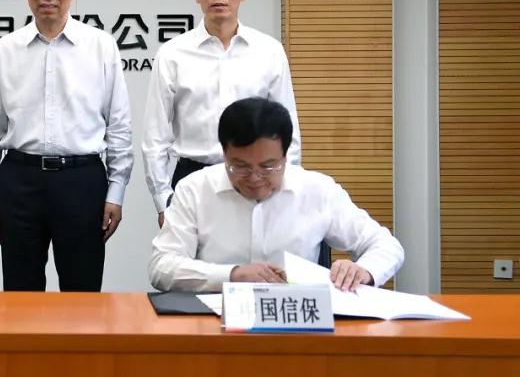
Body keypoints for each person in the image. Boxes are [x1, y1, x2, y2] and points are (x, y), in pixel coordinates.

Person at [0, 0, 133, 291]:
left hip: (82, 182)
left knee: (82, 290)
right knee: (20, 292)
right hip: (19, 180)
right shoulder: (5, 50)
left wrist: (116, 192)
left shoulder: (101, 46)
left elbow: (119, 126)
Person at [149, 97, 403, 292]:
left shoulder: (317, 190)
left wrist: (363, 270)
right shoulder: (194, 189)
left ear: (285, 155)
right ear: (224, 154)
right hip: (215, 324)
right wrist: (232, 275)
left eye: (268, 167)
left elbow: (386, 245)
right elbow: (162, 266)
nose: (255, 178)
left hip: (299, 325)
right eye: (241, 167)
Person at [141, 0, 301, 225]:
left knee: (253, 254)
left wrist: (283, 191)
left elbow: (289, 132)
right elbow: (155, 138)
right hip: (193, 180)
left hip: (255, 179)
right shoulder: (172, 54)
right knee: (193, 255)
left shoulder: (269, 51)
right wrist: (163, 200)